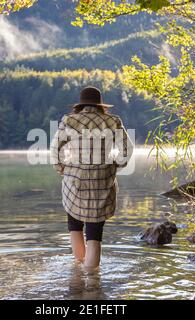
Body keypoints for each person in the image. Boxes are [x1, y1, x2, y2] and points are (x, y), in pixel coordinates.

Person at [50, 86, 133, 269]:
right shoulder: (112, 121)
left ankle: (79, 273)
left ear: (80, 105)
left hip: (74, 180)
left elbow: (54, 149)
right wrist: (115, 165)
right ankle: (93, 281)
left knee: (74, 224)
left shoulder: (69, 120)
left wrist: (61, 168)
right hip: (102, 180)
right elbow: (127, 151)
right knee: (95, 233)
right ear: (100, 105)